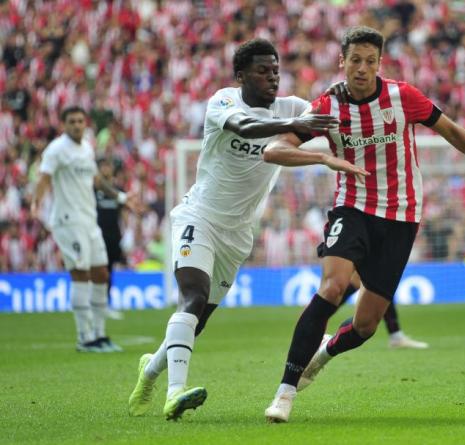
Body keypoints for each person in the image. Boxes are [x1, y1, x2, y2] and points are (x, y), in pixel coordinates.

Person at [262, 26, 465, 423]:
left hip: (401, 216)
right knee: (333, 286)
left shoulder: (402, 97)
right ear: (343, 61)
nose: (361, 69)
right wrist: (322, 158)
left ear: (379, 64)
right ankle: (284, 393)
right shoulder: (326, 107)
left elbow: (453, 132)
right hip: (352, 207)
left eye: (369, 61)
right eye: (355, 60)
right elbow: (275, 150)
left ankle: (323, 354)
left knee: (366, 325)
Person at [127, 38, 363, 421]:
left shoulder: (292, 107)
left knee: (198, 320)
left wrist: (342, 96)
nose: (272, 77)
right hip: (198, 217)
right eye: (262, 70)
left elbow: (329, 115)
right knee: (192, 297)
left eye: (275, 70)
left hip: (237, 234)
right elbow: (245, 126)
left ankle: (149, 372)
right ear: (240, 76)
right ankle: (176, 393)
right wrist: (294, 124)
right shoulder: (224, 102)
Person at [31, 106, 133, 353]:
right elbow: (44, 180)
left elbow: (97, 181)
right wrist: (36, 205)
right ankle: (84, 338)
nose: (77, 125)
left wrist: (121, 198)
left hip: (89, 221)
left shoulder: (87, 148)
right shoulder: (56, 150)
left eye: (80, 121)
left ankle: (99, 335)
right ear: (64, 124)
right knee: (81, 275)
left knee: (101, 274)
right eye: (72, 121)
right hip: (68, 221)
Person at [95, 157, 126, 320]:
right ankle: (95, 304)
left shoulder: (117, 190)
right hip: (97, 236)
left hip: (113, 236)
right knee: (97, 271)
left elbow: (122, 213)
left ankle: (105, 304)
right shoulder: (93, 190)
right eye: (103, 166)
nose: (106, 169)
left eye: (108, 165)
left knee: (109, 271)